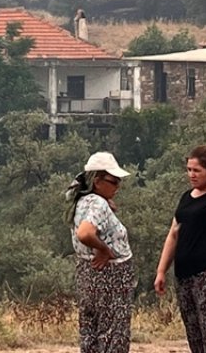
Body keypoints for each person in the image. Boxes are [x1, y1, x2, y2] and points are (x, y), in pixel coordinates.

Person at [153, 145, 206, 353]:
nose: (191, 175)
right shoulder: (186, 198)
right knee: (195, 335)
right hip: (185, 275)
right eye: (189, 169)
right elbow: (174, 233)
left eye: (197, 170)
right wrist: (161, 270)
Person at [66, 151, 134, 353]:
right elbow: (85, 233)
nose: (118, 187)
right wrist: (104, 250)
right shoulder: (98, 204)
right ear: (97, 181)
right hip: (111, 276)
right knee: (113, 332)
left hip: (88, 273)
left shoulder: (81, 200)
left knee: (90, 331)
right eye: (113, 182)